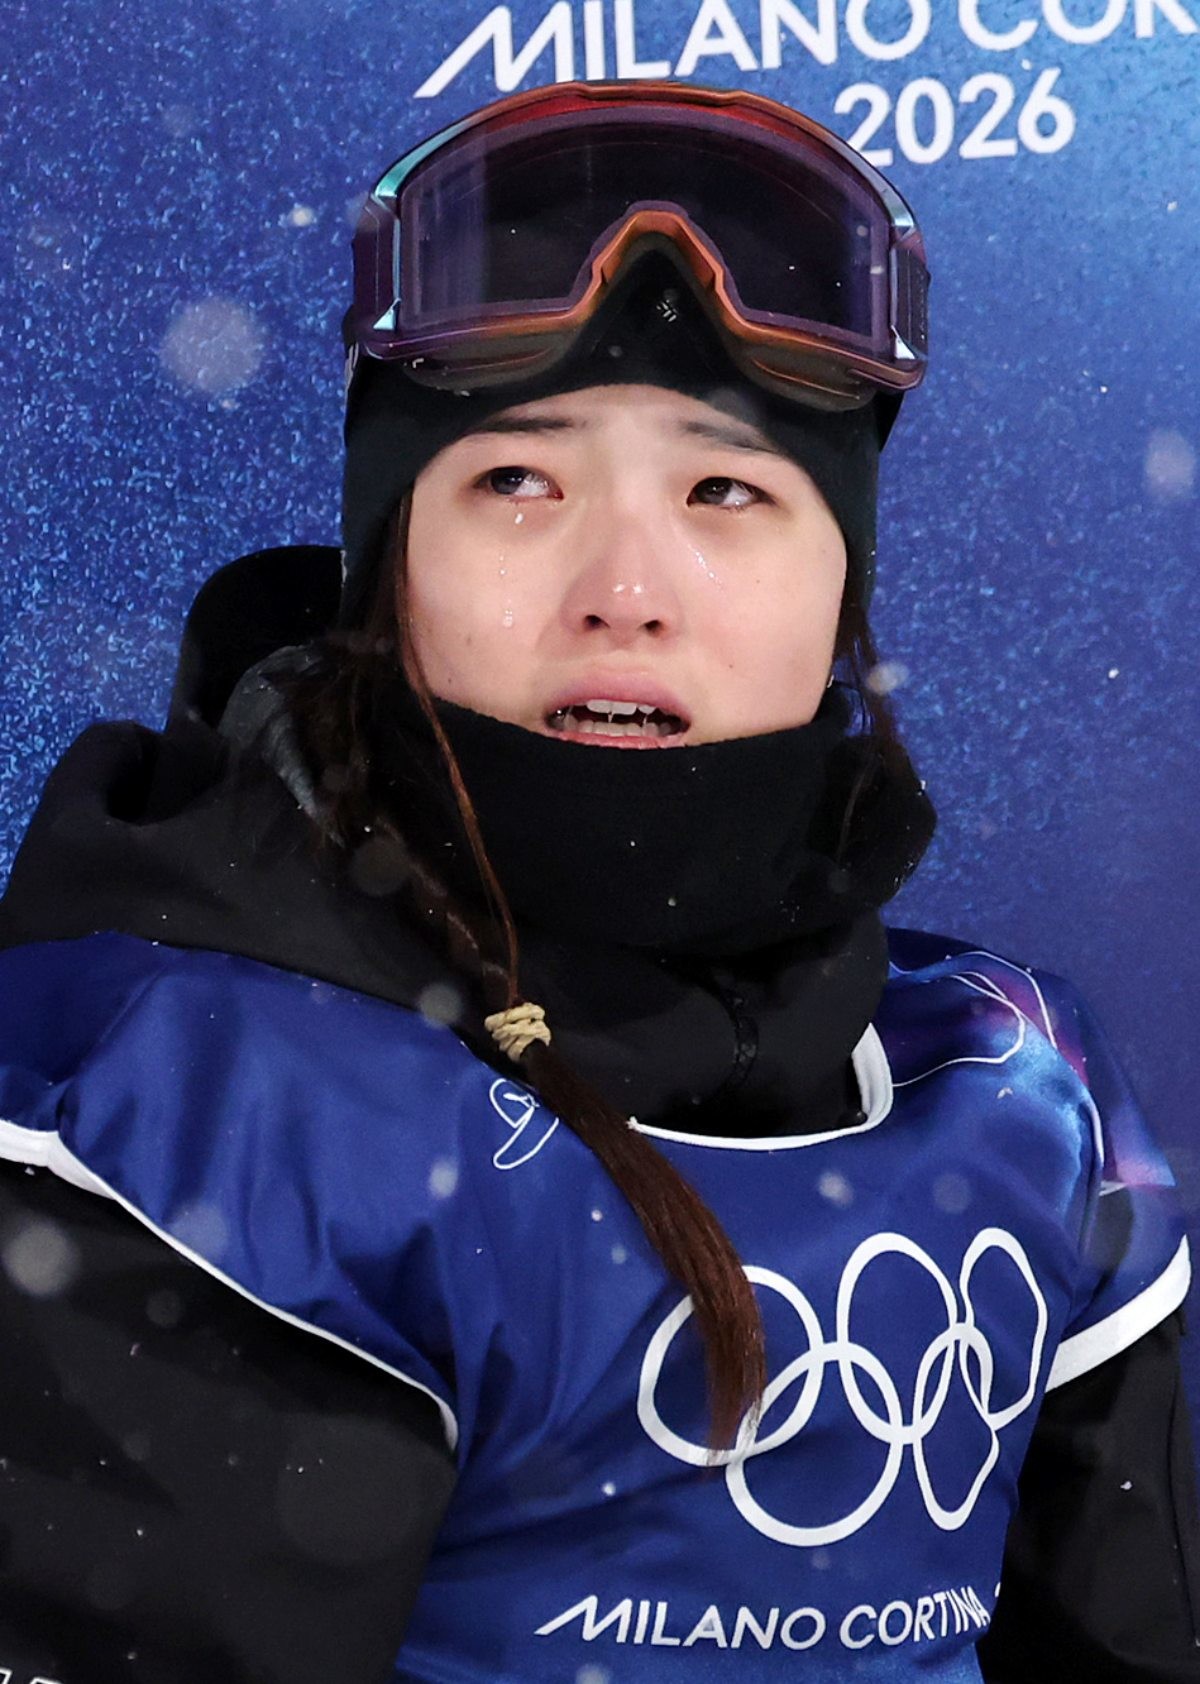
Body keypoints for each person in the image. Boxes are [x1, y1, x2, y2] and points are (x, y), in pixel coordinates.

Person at [0, 78, 1195, 1684]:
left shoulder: (1017, 1083)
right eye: (517, 481)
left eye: (726, 490)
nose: (625, 591)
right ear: (388, 571)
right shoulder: (191, 1102)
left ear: (843, 584)